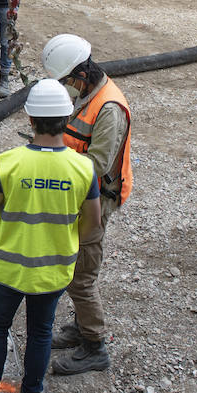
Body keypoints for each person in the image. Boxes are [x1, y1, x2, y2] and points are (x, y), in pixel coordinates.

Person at [0, 79, 101, 393]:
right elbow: (93, 223)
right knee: (40, 332)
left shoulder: (8, 163)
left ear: (30, 120)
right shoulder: (83, 168)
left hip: (9, 268)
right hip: (53, 271)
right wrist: (65, 239)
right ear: (67, 119)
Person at [39, 34, 132, 375]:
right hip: (75, 195)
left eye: (66, 81)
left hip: (95, 202)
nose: (65, 87)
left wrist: (53, 166)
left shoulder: (109, 108)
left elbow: (98, 165)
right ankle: (80, 328)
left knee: (81, 277)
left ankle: (94, 346)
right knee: (74, 269)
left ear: (82, 73)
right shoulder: (87, 95)